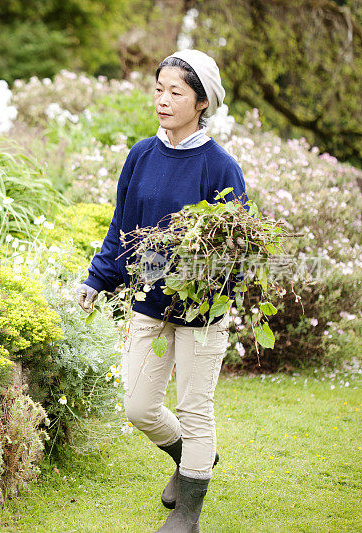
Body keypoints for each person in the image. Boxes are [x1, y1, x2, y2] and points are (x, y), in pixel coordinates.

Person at [76, 49, 248, 533]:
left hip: (202, 310)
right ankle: (195, 458)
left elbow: (239, 246)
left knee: (195, 407)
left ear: (201, 103)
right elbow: (121, 228)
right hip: (150, 301)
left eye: (176, 92)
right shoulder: (141, 156)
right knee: (139, 404)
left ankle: (189, 512)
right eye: (159, 89)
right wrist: (97, 277)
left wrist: (214, 281)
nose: (163, 99)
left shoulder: (220, 167)